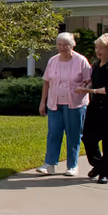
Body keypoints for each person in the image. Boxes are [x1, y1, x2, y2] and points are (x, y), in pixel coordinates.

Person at [37, 32, 92, 176]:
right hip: (54, 103)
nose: (62, 48)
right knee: (54, 133)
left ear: (72, 45)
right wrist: (42, 102)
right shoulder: (53, 60)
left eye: (65, 45)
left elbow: (89, 80)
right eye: (59, 45)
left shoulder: (81, 61)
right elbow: (47, 82)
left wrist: (84, 87)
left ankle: (72, 166)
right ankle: (49, 164)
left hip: (75, 104)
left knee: (73, 134)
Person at [79, 33, 108, 185]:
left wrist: (90, 92)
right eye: (97, 47)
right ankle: (99, 165)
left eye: (101, 48)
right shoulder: (95, 65)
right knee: (88, 137)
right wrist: (85, 86)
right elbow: (92, 83)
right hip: (96, 107)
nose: (98, 50)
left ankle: (104, 173)